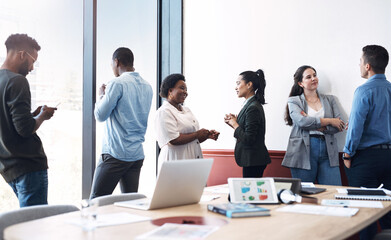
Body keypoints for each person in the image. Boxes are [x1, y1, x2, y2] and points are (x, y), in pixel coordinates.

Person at [0, 33, 57, 207]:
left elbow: (8, 121)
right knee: (34, 226)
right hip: (28, 165)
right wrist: (43, 117)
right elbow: (24, 129)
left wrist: (32, 114)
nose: (32, 68)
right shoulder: (18, 81)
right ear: (22, 54)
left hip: (8, 166)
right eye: (34, 61)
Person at [90, 47, 153, 199]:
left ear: (116, 62)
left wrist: (101, 96)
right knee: (129, 203)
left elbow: (100, 115)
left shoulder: (117, 84)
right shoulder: (147, 86)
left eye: (112, 64)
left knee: (95, 203)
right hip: (136, 156)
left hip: (115, 154)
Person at [343, 45, 391, 239]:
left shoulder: (363, 91)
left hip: (366, 159)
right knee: (388, 212)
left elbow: (355, 127)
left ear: (368, 66)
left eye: (361, 62)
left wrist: (347, 153)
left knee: (364, 212)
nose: (359, 65)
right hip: (389, 157)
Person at [282, 65, 345, 185]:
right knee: (304, 193)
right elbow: (302, 122)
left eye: (315, 75)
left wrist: (313, 123)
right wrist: (329, 121)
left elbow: (339, 125)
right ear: (301, 83)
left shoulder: (330, 100)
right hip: (302, 151)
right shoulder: (294, 101)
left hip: (328, 149)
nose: (313, 79)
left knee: (334, 191)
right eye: (308, 77)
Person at [155, 73, 219, 166]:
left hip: (192, 159)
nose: (185, 92)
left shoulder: (187, 110)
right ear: (170, 91)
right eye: (181, 88)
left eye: (186, 89)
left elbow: (192, 138)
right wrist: (197, 134)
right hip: (175, 161)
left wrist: (206, 135)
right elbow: (173, 139)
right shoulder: (164, 112)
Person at [224, 69, 271, 178]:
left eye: (238, 83)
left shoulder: (252, 107)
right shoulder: (250, 105)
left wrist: (235, 124)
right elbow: (246, 131)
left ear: (249, 84)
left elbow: (249, 138)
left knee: (251, 194)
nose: (236, 87)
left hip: (253, 159)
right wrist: (234, 122)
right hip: (253, 159)